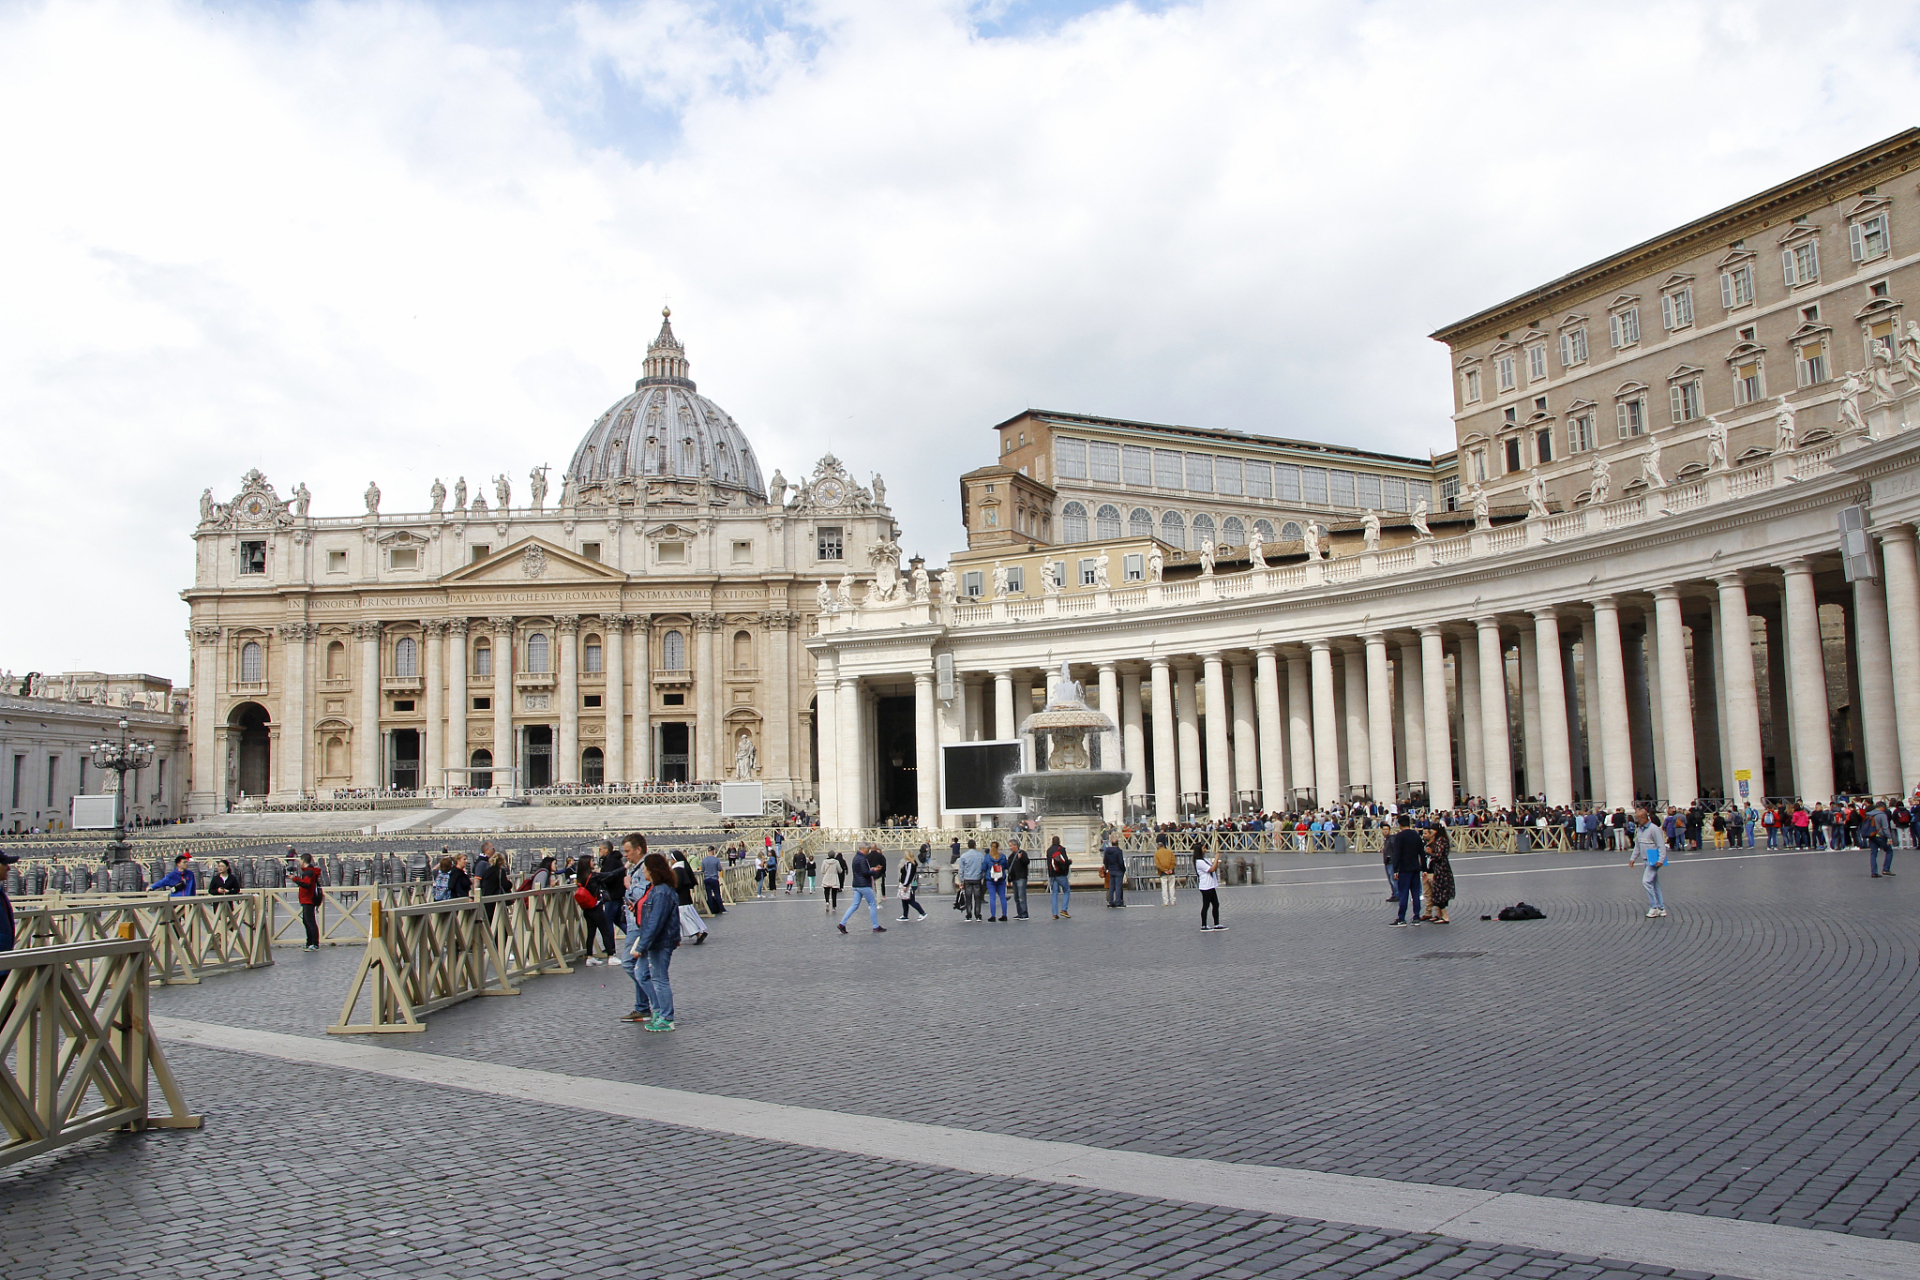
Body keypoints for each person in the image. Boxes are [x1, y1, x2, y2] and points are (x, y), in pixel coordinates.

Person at [630, 852, 681, 1031]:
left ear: (652, 871)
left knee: (659, 978)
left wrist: (642, 945)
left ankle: (667, 1017)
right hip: (655, 940)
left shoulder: (661, 892)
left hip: (659, 941)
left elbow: (656, 922)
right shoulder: (657, 889)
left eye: (645, 870)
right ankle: (659, 1010)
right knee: (642, 974)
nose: (643, 873)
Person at [615, 841, 652, 1023]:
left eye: (628, 851)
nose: (625, 855)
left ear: (639, 849)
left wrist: (628, 886)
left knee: (629, 963)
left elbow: (643, 895)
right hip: (634, 922)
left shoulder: (645, 869)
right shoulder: (636, 867)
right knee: (638, 966)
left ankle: (654, 998)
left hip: (638, 924)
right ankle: (642, 1007)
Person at [574, 854, 617, 964]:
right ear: (587, 863)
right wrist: (623, 868)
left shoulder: (581, 876)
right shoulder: (593, 876)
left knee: (591, 933)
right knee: (605, 931)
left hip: (587, 909)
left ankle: (589, 957)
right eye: (592, 860)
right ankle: (610, 956)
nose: (594, 862)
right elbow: (610, 875)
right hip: (595, 907)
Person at [835, 846, 887, 934]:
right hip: (864, 885)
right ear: (863, 848)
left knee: (854, 905)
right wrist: (874, 871)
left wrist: (872, 869)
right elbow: (865, 872)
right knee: (872, 904)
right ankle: (875, 926)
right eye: (867, 849)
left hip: (856, 884)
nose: (868, 851)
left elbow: (861, 871)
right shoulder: (862, 859)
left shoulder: (856, 858)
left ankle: (842, 923)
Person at [1630, 806, 1669, 918]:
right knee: (1655, 884)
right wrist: (1633, 858)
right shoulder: (1640, 830)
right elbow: (1638, 845)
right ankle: (1661, 908)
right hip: (1646, 859)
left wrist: (1661, 859)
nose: (1637, 821)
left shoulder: (1654, 829)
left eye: (1638, 819)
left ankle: (1654, 906)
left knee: (1646, 882)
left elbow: (1661, 845)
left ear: (1644, 818)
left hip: (1654, 859)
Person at [1386, 816, 1424, 926]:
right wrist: (1424, 868)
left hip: (1404, 869)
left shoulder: (1399, 836)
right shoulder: (1416, 835)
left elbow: (1397, 854)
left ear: (1400, 824)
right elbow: (1421, 853)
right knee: (1415, 894)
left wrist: (1395, 869)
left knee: (1403, 894)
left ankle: (1402, 918)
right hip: (1415, 868)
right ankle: (1416, 917)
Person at [671, 849, 708, 944]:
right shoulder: (683, 868)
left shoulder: (677, 870)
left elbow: (677, 885)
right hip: (685, 896)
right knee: (690, 915)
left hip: (680, 898)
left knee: (683, 917)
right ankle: (699, 931)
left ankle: (697, 933)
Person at [288, 851, 323, 951]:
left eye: (300, 859)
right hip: (307, 899)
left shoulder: (308, 872)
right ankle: (309, 942)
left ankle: (314, 943)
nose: (299, 861)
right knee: (306, 921)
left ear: (303, 860)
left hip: (308, 899)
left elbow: (306, 884)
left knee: (310, 921)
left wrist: (295, 879)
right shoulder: (310, 871)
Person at [1423, 826, 1454, 924]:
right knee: (1437, 892)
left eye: (1432, 830)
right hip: (1442, 868)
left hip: (1441, 870)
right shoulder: (1441, 839)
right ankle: (1439, 915)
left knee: (1439, 891)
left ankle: (1445, 916)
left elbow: (1439, 856)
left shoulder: (1440, 840)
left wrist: (1430, 853)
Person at [1195, 850, 1226, 932]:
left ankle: (1216, 924)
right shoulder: (1199, 862)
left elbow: (1213, 867)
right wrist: (1216, 859)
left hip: (1211, 885)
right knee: (1206, 905)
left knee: (1216, 904)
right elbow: (1211, 869)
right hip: (1206, 886)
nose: (1205, 850)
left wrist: (1215, 861)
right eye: (1203, 848)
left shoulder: (1204, 859)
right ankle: (1204, 925)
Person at [957, 841, 987, 921]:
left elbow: (961, 870)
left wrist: (960, 881)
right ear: (975, 845)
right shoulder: (980, 855)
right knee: (977, 898)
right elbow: (984, 868)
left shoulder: (964, 856)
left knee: (968, 897)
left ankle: (968, 914)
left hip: (967, 879)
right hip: (977, 878)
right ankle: (978, 915)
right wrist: (982, 876)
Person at [1867, 800, 1895, 878]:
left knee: (1873, 854)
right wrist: (1889, 837)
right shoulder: (1882, 815)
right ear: (1882, 808)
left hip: (1871, 835)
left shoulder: (1869, 814)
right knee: (1889, 851)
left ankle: (1874, 872)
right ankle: (1886, 869)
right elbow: (1885, 827)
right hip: (1880, 836)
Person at [1005, 838, 1032, 920]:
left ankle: (1024, 913)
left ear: (1016, 846)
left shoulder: (1022, 853)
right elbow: (1010, 868)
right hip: (1014, 878)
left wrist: (1021, 858)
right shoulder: (1011, 856)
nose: (1010, 848)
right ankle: (1019, 913)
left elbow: (1027, 862)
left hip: (1021, 877)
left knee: (1021, 896)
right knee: (1016, 897)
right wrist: (1009, 879)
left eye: (1011, 846)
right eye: (1009, 846)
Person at [1046, 838, 1072, 919]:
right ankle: (1064, 909)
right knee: (1067, 890)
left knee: (1054, 893)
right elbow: (1065, 861)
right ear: (1059, 841)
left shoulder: (1049, 850)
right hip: (1061, 874)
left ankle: (1054, 914)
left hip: (1052, 875)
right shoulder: (1061, 849)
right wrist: (1070, 862)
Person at [897, 853, 927, 922]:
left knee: (911, 901)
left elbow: (909, 875)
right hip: (907, 883)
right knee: (904, 899)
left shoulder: (910, 864)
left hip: (909, 884)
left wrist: (905, 885)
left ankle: (922, 913)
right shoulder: (909, 863)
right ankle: (905, 915)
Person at [984, 843, 1009, 922]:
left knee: (992, 897)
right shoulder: (1002, 857)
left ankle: (993, 916)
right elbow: (1006, 866)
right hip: (1001, 879)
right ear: (998, 847)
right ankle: (1004, 915)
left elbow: (984, 868)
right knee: (1002, 897)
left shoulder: (987, 857)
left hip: (990, 880)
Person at [819, 846, 846, 913]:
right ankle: (834, 906)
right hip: (834, 878)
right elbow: (840, 870)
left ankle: (827, 901)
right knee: (834, 894)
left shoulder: (824, 861)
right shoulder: (836, 862)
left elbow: (822, 871)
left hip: (826, 878)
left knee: (826, 891)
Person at [1101, 839, 1126, 908]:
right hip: (1118, 870)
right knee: (1118, 886)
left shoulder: (1107, 851)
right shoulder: (1119, 851)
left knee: (1111, 886)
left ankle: (1111, 901)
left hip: (1111, 870)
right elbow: (1121, 862)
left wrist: (1108, 867)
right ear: (1117, 844)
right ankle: (1118, 901)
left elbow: (1105, 861)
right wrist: (1123, 869)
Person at [700, 847, 726, 914]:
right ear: (713, 851)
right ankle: (721, 908)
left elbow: (702, 869)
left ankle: (711, 909)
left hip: (707, 878)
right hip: (714, 879)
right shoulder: (716, 860)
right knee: (717, 894)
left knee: (709, 895)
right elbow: (719, 869)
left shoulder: (704, 860)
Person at [1154, 838, 1177, 907]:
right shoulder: (1170, 852)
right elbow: (1173, 861)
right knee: (1172, 887)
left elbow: (1158, 864)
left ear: (1158, 847)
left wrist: (1164, 870)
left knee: (1164, 888)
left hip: (1163, 873)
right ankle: (1173, 901)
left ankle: (1166, 902)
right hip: (1171, 872)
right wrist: (1171, 869)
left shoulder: (1156, 854)